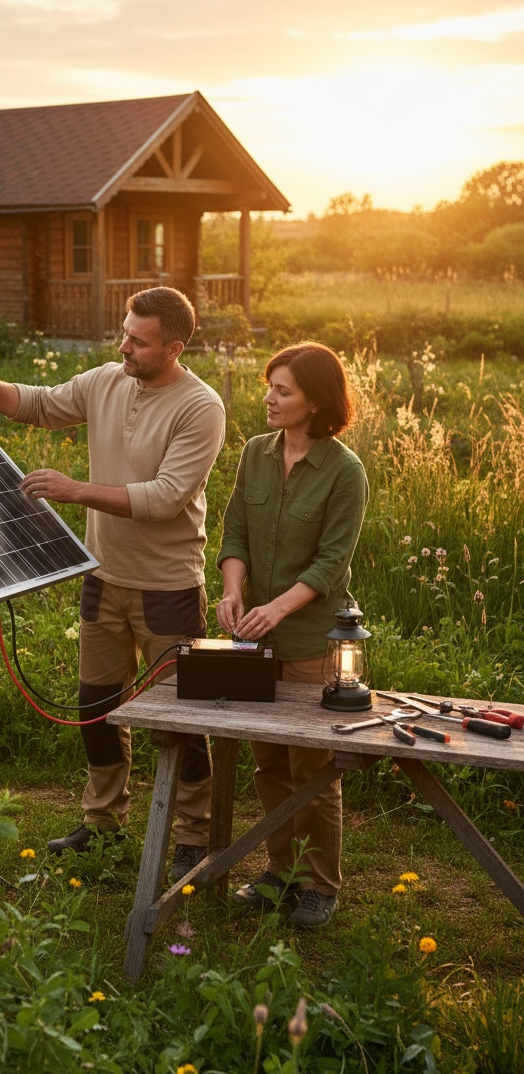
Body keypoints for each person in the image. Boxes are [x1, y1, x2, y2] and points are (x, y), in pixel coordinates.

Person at [0, 287, 225, 880]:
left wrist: (75, 490)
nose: (124, 347)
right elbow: (39, 403)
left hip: (167, 587)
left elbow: (167, 498)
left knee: (181, 720)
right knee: (97, 708)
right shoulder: (106, 381)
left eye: (138, 341)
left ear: (175, 347)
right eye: (124, 333)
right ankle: (103, 823)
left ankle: (194, 837)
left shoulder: (201, 407)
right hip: (102, 577)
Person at [215, 341, 368, 929]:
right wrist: (234, 591)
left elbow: (331, 563)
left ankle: (319, 885)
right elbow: (234, 532)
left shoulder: (345, 471)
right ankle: (279, 872)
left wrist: (275, 610)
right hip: (255, 638)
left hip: (308, 641)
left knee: (312, 769)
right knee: (268, 764)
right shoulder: (254, 453)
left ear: (316, 402)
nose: (269, 398)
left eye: (283, 390)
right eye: (269, 386)